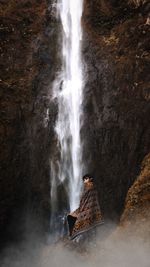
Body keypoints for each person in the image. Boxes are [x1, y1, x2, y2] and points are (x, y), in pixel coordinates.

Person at [67, 174, 104, 243]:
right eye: (83, 179)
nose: (84, 181)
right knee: (70, 216)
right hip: (84, 208)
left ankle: (85, 240)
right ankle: (79, 238)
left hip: (89, 209)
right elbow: (84, 201)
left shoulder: (91, 188)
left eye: (86, 179)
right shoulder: (87, 188)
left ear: (90, 179)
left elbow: (91, 200)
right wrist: (79, 209)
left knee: (72, 218)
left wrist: (82, 209)